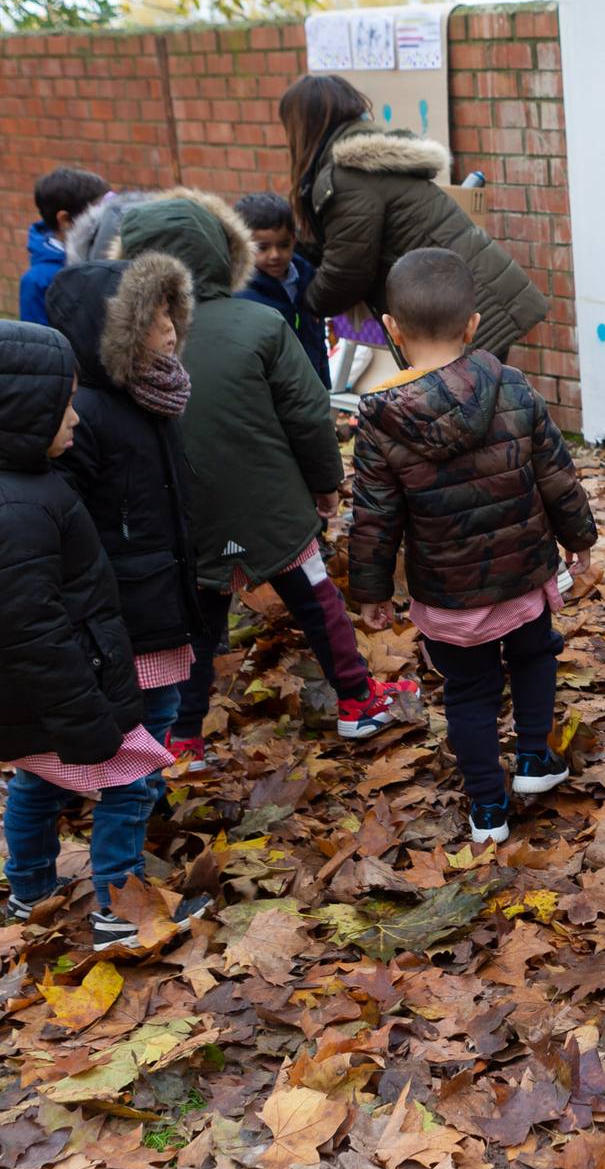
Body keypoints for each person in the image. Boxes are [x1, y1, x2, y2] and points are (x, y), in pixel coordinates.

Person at [0, 320, 208, 947]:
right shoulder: (13, 511)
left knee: (37, 781)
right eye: (62, 404)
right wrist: (89, 721)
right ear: (15, 414)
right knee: (129, 785)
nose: (75, 418)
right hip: (61, 697)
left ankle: (30, 889)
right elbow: (35, 635)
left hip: (15, 701)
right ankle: (119, 911)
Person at [110, 190, 405, 763]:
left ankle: (184, 735)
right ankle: (356, 700)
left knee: (197, 624)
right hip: (272, 505)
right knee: (316, 595)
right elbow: (307, 412)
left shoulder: (128, 344)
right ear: (227, 254)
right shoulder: (261, 322)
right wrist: (325, 484)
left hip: (185, 513)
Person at [348, 249, 597, 845]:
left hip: (449, 591)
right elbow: (556, 474)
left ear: (392, 330)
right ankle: (535, 758)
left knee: (470, 691)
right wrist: (579, 540)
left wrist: (372, 591)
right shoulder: (512, 386)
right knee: (536, 656)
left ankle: (489, 807)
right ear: (473, 325)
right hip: (522, 573)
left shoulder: (380, 419)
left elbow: (375, 516)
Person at [43, 251, 205, 786]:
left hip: (157, 592)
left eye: (169, 312)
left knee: (158, 720)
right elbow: (71, 525)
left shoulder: (152, 393)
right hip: (123, 608)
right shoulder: (85, 413)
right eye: (151, 318)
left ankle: (140, 828)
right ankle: (123, 863)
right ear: (111, 334)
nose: (168, 328)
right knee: (139, 736)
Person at [278, 75, 550, 359]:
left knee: (461, 399)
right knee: (474, 396)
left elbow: (347, 272)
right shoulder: (363, 166)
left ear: (303, 125)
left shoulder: (347, 176)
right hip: (459, 293)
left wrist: (301, 302)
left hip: (453, 301)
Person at [231, 192, 331, 387]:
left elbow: (317, 337)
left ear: (294, 239)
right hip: (273, 390)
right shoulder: (242, 295)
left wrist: (324, 382)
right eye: (263, 248)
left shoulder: (308, 278)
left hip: (312, 384)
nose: (275, 255)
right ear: (242, 244)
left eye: (283, 245)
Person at [23, 167, 108, 324]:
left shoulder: (103, 255)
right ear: (65, 220)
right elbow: (36, 341)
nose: (105, 220)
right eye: (95, 215)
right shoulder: (37, 280)